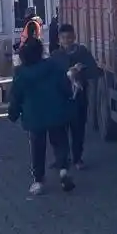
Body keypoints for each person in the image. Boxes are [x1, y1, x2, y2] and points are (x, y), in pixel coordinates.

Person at [8, 37, 75, 195]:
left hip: (34, 116)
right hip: (56, 112)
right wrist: (68, 97)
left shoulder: (21, 73)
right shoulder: (53, 66)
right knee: (60, 143)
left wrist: (13, 113)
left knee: (37, 148)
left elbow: (16, 96)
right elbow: (65, 86)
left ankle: (38, 181)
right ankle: (63, 170)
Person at [51, 23, 100, 170]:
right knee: (60, 132)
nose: (67, 41)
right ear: (59, 39)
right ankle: (62, 158)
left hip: (79, 98)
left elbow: (94, 71)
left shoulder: (82, 52)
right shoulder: (55, 56)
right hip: (61, 100)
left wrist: (81, 72)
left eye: (69, 38)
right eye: (64, 38)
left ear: (74, 37)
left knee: (78, 130)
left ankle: (77, 158)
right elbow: (51, 76)